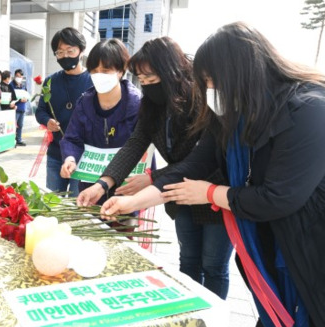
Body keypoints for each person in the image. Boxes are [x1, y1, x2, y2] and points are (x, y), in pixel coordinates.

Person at [100, 22, 325, 327]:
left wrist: (209, 193)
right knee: (272, 320)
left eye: (210, 81)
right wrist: (132, 201)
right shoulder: (233, 115)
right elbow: (195, 163)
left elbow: (279, 197)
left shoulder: (309, 109)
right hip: (268, 249)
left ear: (240, 73)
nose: (207, 90)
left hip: (309, 254)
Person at [78, 36, 233, 300]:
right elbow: (135, 143)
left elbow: (201, 159)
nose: (148, 87)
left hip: (214, 195)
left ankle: (213, 315)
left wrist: (152, 179)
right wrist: (103, 183)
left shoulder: (201, 98)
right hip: (177, 193)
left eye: (153, 79)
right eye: (144, 81)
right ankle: (190, 311)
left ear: (171, 70)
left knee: (214, 266)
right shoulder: (152, 105)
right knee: (189, 260)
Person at [60, 39, 141, 202]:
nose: (99, 76)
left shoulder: (138, 104)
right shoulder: (84, 103)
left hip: (126, 189)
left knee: (121, 227)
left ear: (121, 70)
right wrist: (70, 158)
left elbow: (142, 149)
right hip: (90, 187)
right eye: (94, 71)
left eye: (106, 70)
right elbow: (72, 138)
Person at [35, 27, 92, 197]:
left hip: (84, 156)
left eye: (70, 51)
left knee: (77, 204)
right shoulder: (50, 81)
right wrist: (47, 121)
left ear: (80, 51)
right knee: (54, 201)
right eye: (60, 53)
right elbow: (40, 111)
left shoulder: (93, 80)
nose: (65, 56)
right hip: (55, 153)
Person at [10, 69, 28, 146]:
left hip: (22, 108)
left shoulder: (23, 86)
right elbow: (11, 97)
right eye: (17, 76)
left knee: (20, 125)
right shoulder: (11, 85)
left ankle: (19, 139)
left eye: (20, 76)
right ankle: (12, 140)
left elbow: (27, 95)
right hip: (15, 108)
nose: (18, 77)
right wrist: (19, 100)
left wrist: (26, 99)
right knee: (13, 126)